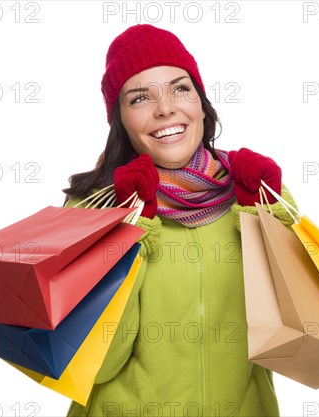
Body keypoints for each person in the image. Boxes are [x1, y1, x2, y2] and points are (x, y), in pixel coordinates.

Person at [62, 24, 298, 417]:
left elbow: (293, 340)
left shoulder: (253, 194)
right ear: (120, 119)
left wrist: (266, 218)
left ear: (201, 103)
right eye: (140, 97)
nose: (165, 108)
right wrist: (131, 228)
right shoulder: (94, 210)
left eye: (180, 88)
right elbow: (98, 365)